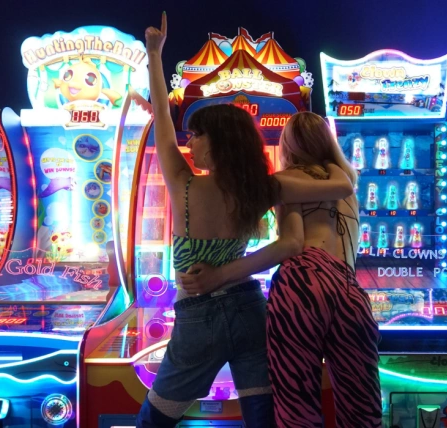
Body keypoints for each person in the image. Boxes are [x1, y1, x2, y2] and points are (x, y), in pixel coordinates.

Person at [138, 14, 354, 428]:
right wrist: (327, 157)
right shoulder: (264, 188)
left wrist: (155, 55)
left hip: (198, 317)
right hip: (250, 309)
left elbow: (162, 118)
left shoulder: (184, 184)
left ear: (217, 143)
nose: (189, 142)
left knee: (153, 420)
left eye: (197, 135)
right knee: (261, 418)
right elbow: (340, 187)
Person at [181, 112, 383, 427]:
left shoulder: (287, 181)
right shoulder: (346, 183)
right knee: (362, 408)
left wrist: (219, 274)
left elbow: (290, 244)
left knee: (296, 406)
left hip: (303, 285)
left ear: (287, 145)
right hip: (350, 290)